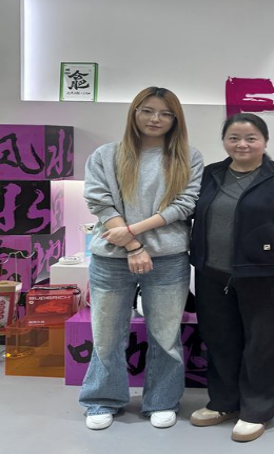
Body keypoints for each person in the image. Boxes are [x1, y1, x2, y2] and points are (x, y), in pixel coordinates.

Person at [79, 86, 203, 430]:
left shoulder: (187, 157)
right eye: (147, 110)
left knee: (165, 334)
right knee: (107, 334)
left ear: (175, 119)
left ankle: (162, 400)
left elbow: (185, 205)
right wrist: (133, 246)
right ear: (134, 112)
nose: (155, 119)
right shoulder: (106, 155)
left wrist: (132, 232)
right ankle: (102, 399)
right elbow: (99, 200)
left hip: (168, 259)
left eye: (165, 113)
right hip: (111, 259)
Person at [189, 113, 274, 442]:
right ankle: (224, 403)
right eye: (234, 138)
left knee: (263, 344)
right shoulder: (210, 175)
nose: (242, 144)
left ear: (265, 141)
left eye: (251, 138)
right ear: (224, 141)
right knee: (220, 340)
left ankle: (256, 410)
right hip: (212, 274)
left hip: (265, 275)